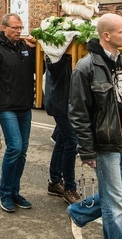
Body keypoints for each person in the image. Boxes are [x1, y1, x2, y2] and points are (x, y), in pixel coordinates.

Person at [67, 13, 122, 239]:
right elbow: (78, 112)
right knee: (114, 205)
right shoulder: (86, 67)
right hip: (104, 144)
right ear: (107, 35)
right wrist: (87, 150)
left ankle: (78, 212)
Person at [0, 13, 37, 213]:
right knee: (14, 147)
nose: (18, 31)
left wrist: (34, 51)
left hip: (24, 106)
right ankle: (4, 191)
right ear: (5, 27)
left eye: (20, 28)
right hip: (6, 108)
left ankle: (15, 191)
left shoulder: (23, 47)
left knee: (22, 151)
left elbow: (37, 70)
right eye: (15, 28)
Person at [44, 54, 81, 205]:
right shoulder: (55, 51)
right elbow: (54, 68)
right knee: (71, 143)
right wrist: (66, 56)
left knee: (62, 141)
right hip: (60, 105)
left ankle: (54, 181)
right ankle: (69, 188)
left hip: (72, 104)